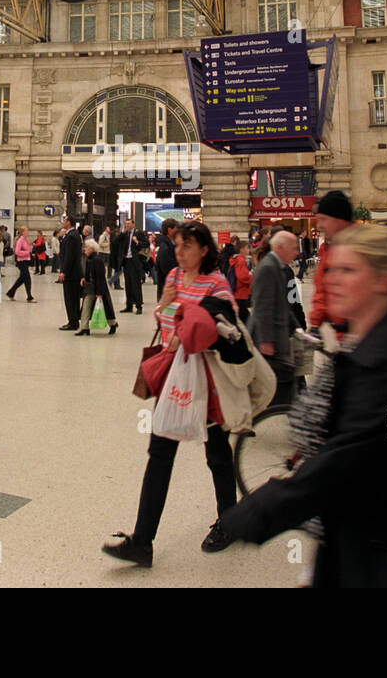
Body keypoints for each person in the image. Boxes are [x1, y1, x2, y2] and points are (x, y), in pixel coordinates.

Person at [221, 225, 387, 587]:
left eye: (349, 271)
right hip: (375, 540)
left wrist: (262, 509)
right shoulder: (372, 344)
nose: (332, 279)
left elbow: (349, 455)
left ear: (383, 281)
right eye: (332, 270)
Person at [102, 222, 241, 567]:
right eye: (178, 245)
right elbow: (165, 324)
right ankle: (142, 542)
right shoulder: (175, 278)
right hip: (176, 379)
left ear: (204, 249)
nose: (179, 252)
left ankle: (230, 521)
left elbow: (228, 329)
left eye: (188, 246)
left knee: (218, 454)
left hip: (207, 382)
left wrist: (190, 323)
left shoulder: (216, 283)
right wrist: (164, 307)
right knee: (159, 456)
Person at [249, 230, 298, 407]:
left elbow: (285, 302)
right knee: (278, 382)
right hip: (269, 338)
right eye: (293, 248)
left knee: (284, 381)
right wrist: (266, 340)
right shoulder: (269, 267)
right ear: (279, 247)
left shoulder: (278, 267)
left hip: (276, 335)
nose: (297, 252)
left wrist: (298, 327)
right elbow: (262, 306)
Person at [307, 190, 355, 334]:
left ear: (338, 219)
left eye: (323, 219)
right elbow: (322, 286)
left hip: (365, 336)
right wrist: (316, 321)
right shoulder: (333, 248)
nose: (319, 225)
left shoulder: (362, 246)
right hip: (343, 334)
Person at [75, 238, 118, 336]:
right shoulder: (89, 259)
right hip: (90, 288)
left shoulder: (97, 260)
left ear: (92, 248)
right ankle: (84, 328)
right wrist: (84, 279)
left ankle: (113, 324)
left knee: (105, 308)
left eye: (86, 247)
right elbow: (88, 273)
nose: (84, 249)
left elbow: (100, 277)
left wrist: (99, 293)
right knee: (86, 307)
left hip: (98, 288)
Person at [57, 217, 83, 330]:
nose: (63, 222)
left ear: (69, 223)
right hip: (74, 272)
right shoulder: (73, 235)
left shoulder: (72, 236)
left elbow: (69, 256)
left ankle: (73, 322)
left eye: (64, 220)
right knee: (73, 298)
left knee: (70, 298)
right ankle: (74, 320)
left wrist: (63, 271)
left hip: (71, 273)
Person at [115, 219, 144, 315]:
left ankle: (139, 306)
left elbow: (146, 243)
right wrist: (122, 233)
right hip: (126, 261)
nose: (126, 225)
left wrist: (137, 242)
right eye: (126, 224)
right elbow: (115, 242)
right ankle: (129, 306)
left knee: (135, 284)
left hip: (134, 262)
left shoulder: (138, 233)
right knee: (128, 284)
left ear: (133, 224)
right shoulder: (125, 234)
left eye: (128, 223)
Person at [6, 225, 35, 302]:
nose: (27, 232)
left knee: (21, 279)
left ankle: (10, 293)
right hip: (21, 262)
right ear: (22, 232)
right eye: (26, 231)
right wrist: (27, 252)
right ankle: (29, 297)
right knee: (27, 279)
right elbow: (17, 251)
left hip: (25, 261)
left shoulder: (25, 240)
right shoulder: (20, 240)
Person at [229, 238, 252, 322]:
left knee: (243, 315)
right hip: (242, 291)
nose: (248, 250)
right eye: (247, 248)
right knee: (245, 316)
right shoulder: (241, 260)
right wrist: (252, 278)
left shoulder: (236, 259)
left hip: (237, 291)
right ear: (241, 249)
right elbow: (242, 276)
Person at [154, 218, 178, 301]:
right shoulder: (165, 247)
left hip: (169, 288)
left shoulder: (170, 244)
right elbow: (168, 269)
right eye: (176, 228)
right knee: (168, 312)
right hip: (167, 289)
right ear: (170, 230)